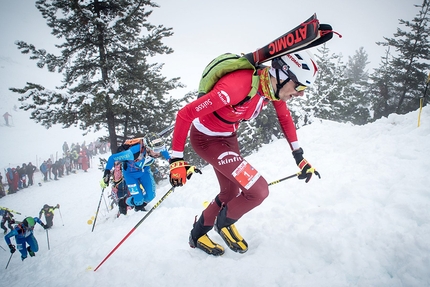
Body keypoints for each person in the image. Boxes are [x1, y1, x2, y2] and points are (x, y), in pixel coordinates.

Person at [168, 51, 321, 256]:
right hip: (206, 140)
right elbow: (185, 114)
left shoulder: (271, 87)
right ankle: (224, 223)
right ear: (282, 74)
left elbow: (285, 119)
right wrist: (176, 160)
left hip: (228, 138)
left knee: (230, 193)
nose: (301, 93)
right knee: (258, 190)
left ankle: (197, 235)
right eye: (300, 86)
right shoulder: (236, 87)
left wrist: (299, 157)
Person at [100, 137, 170, 212]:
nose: (159, 153)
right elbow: (112, 158)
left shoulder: (157, 148)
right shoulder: (132, 153)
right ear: (148, 148)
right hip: (130, 175)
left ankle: (139, 207)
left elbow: (169, 157)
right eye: (156, 150)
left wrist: (174, 163)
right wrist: (106, 173)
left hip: (144, 172)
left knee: (151, 196)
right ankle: (124, 202)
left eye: (161, 149)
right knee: (138, 200)